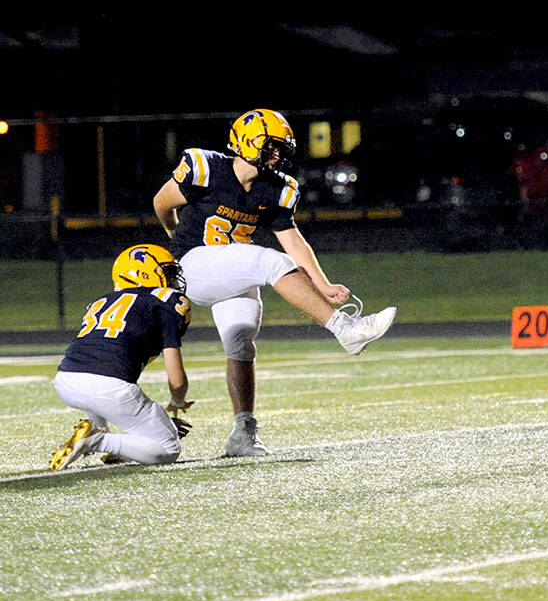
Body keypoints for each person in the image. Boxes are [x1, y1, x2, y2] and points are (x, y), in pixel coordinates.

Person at [152, 109, 397, 458]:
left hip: (235, 271)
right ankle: (347, 329)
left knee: (241, 340)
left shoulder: (279, 188)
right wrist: (175, 239)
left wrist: (322, 284)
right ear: (244, 141)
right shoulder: (204, 167)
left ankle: (243, 432)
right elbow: (162, 203)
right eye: (271, 146)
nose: (278, 155)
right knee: (270, 260)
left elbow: (294, 240)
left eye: (282, 148)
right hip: (194, 266)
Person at [49, 244, 194, 469]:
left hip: (66, 380)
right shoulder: (166, 300)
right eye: (167, 273)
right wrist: (178, 399)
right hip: (109, 387)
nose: (173, 281)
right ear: (143, 272)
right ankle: (98, 440)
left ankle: (106, 439)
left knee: (107, 391)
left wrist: (160, 423)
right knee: (168, 448)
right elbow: (176, 378)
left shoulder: (101, 301)